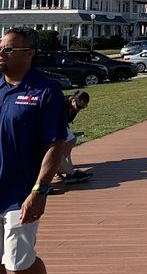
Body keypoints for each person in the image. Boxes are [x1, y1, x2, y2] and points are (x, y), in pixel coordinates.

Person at [0, 27, 67, 274]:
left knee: (18, 266)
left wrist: (40, 191)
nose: (1, 53)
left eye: (8, 49)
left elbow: (55, 144)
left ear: (29, 53)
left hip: (21, 194)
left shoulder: (45, 91)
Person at [56, 91, 92, 184]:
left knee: (71, 140)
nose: (80, 109)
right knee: (60, 146)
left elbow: (67, 121)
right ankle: (61, 168)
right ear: (73, 100)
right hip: (52, 125)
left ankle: (63, 168)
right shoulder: (60, 103)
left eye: (83, 107)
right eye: (79, 106)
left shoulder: (74, 107)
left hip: (61, 125)